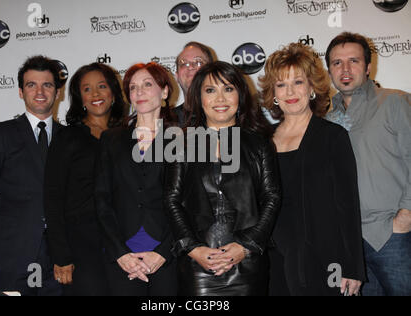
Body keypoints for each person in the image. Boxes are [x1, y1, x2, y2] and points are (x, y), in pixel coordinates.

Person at [164, 61, 281, 296]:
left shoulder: (259, 143)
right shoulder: (182, 143)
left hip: (247, 264)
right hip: (198, 267)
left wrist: (246, 245)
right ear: (199, 97)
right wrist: (193, 248)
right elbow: (171, 199)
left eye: (228, 89)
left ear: (240, 95)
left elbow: (272, 197)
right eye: (210, 90)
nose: (220, 98)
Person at [260, 43, 366, 296]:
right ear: (273, 93)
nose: (290, 91)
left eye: (298, 82)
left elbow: (348, 205)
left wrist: (353, 267)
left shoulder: (333, 137)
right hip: (277, 259)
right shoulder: (263, 143)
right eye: (281, 84)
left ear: (311, 88)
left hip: (327, 258)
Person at [0, 56, 64, 296]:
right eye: (32, 85)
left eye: (47, 85)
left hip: (61, 258)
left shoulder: (71, 138)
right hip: (11, 256)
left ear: (58, 92)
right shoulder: (0, 134)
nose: (40, 91)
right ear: (21, 92)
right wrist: (10, 229)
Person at [325, 32, 411, 296]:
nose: (346, 69)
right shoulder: (327, 120)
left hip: (392, 235)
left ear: (368, 67)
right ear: (329, 71)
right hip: (351, 241)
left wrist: (405, 216)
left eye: (354, 61)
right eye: (337, 63)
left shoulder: (395, 101)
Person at [95, 62, 177, 296]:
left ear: (164, 91)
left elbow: (186, 202)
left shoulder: (181, 139)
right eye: (133, 87)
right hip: (122, 256)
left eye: (147, 84)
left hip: (166, 255)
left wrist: (164, 252)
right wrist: (120, 252)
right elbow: (102, 199)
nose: (139, 92)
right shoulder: (111, 139)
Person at [43, 63, 126, 295]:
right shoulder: (67, 138)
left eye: (102, 86)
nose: (96, 94)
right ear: (79, 97)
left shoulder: (129, 136)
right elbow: (53, 197)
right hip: (81, 246)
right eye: (87, 89)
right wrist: (61, 256)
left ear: (113, 92)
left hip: (124, 242)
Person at [174, 41, 215, 126]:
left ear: (212, 72)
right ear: (177, 76)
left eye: (198, 62)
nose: (191, 67)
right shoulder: (167, 121)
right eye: (184, 63)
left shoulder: (229, 116)